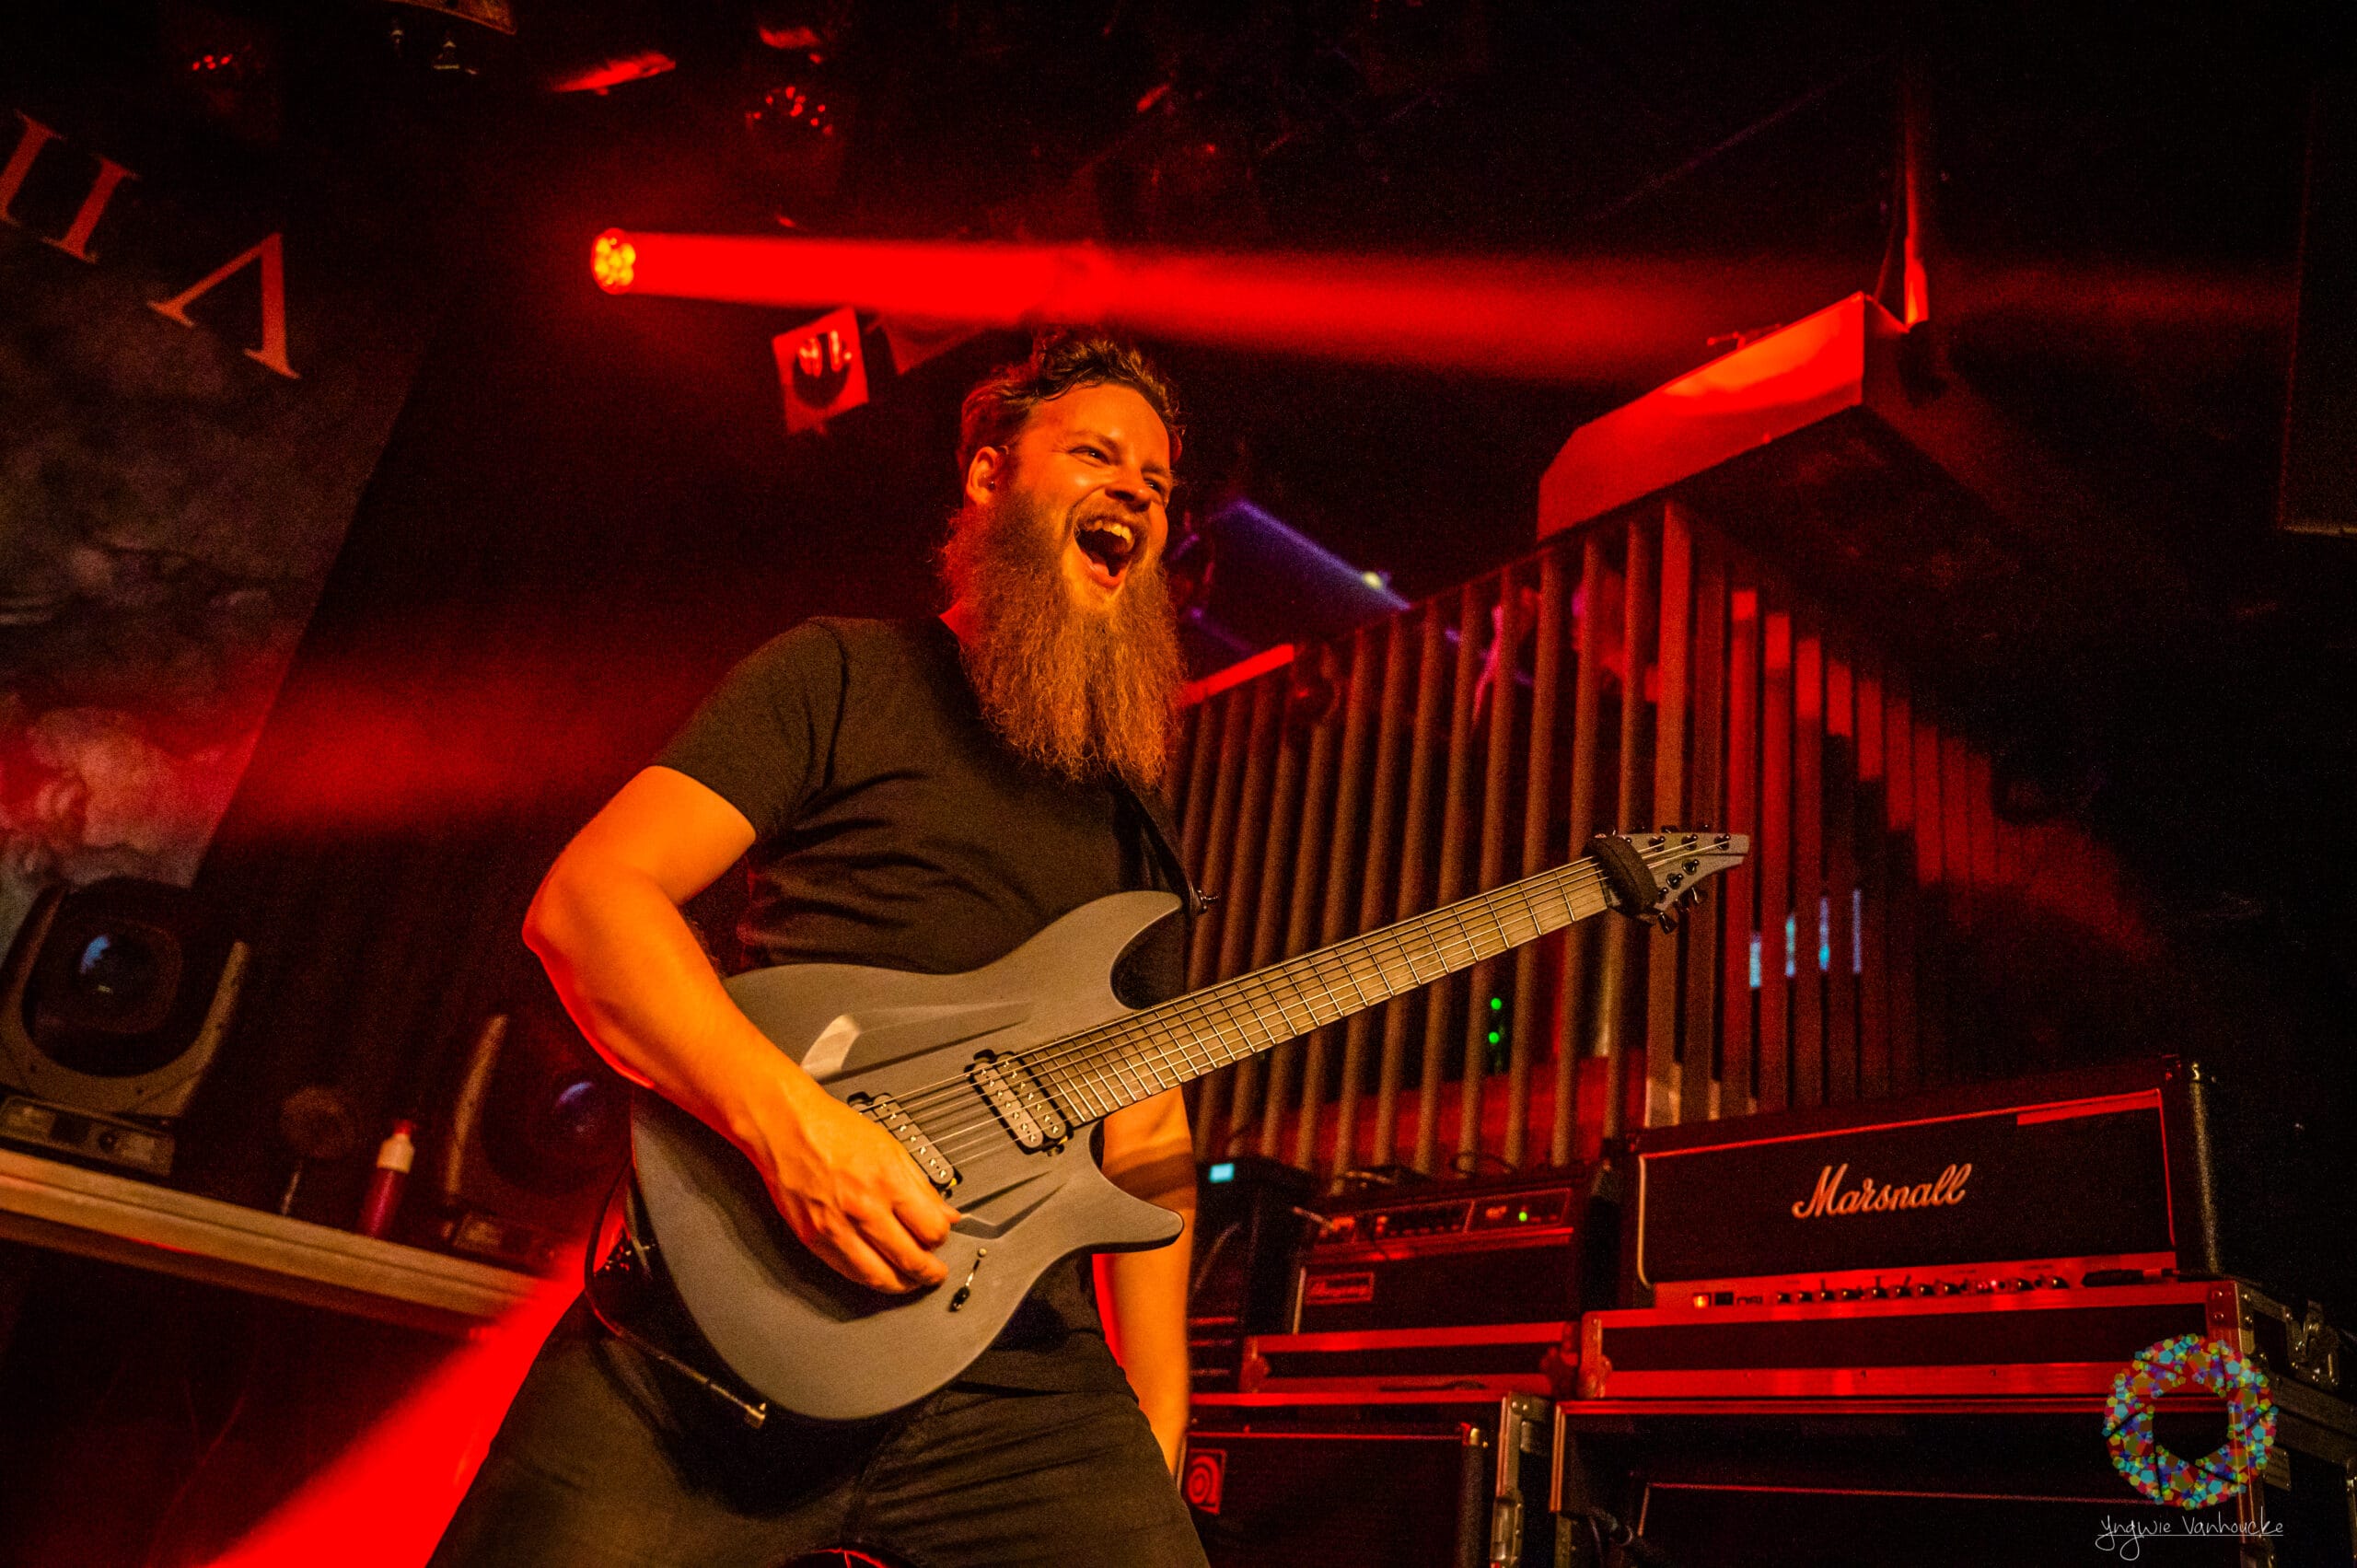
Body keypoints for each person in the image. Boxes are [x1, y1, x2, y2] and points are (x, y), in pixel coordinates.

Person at [428, 333, 1210, 1568]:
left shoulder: (1136, 818)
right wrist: (795, 1134)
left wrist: (1158, 1412)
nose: (1136, 494)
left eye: (1158, 484)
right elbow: (591, 901)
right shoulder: (843, 673)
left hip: (1016, 1383)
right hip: (725, 1322)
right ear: (990, 477)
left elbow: (1148, 1118)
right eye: (1097, 457)